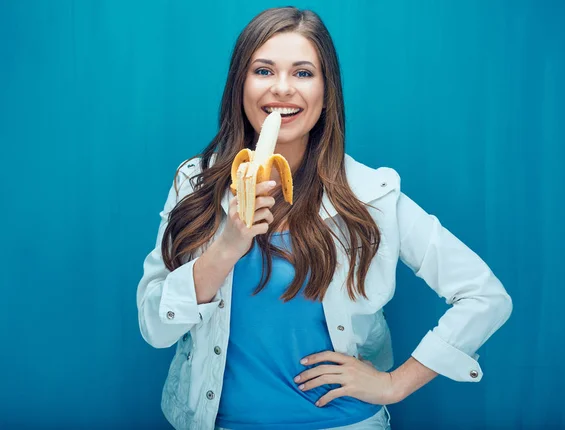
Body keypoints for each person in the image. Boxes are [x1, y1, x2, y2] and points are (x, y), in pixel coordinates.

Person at [136, 6, 512, 430]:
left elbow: (485, 296)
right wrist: (226, 247)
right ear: (239, 84)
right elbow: (155, 328)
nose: (282, 89)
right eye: (263, 70)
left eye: (302, 73)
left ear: (326, 90)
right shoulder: (195, 182)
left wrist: (395, 384)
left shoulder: (371, 195)